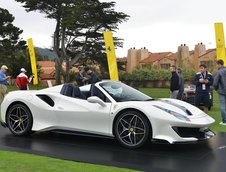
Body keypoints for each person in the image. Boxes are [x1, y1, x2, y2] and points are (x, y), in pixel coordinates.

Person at [213, 59, 226, 125]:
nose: (216, 66)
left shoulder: (219, 72)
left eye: (216, 64)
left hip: (221, 91)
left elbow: (215, 83)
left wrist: (216, 89)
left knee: (223, 106)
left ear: (219, 64)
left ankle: (224, 121)